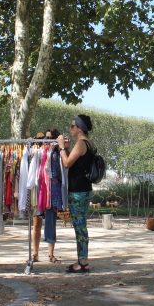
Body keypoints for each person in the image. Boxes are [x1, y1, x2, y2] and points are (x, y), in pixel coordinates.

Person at [58, 114, 95, 273]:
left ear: (79, 128)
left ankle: (83, 262)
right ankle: (82, 259)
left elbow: (66, 163)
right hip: (85, 189)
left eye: (72, 126)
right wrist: (66, 148)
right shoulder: (88, 143)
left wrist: (60, 147)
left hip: (78, 191)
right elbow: (76, 163)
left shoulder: (81, 143)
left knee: (79, 227)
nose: (70, 128)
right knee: (81, 226)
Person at [35, 128, 63, 264]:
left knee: (51, 223)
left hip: (52, 194)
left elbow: (60, 173)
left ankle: (51, 254)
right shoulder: (38, 152)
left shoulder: (57, 154)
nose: (47, 140)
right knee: (36, 224)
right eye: (45, 138)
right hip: (40, 191)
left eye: (50, 138)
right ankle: (35, 253)